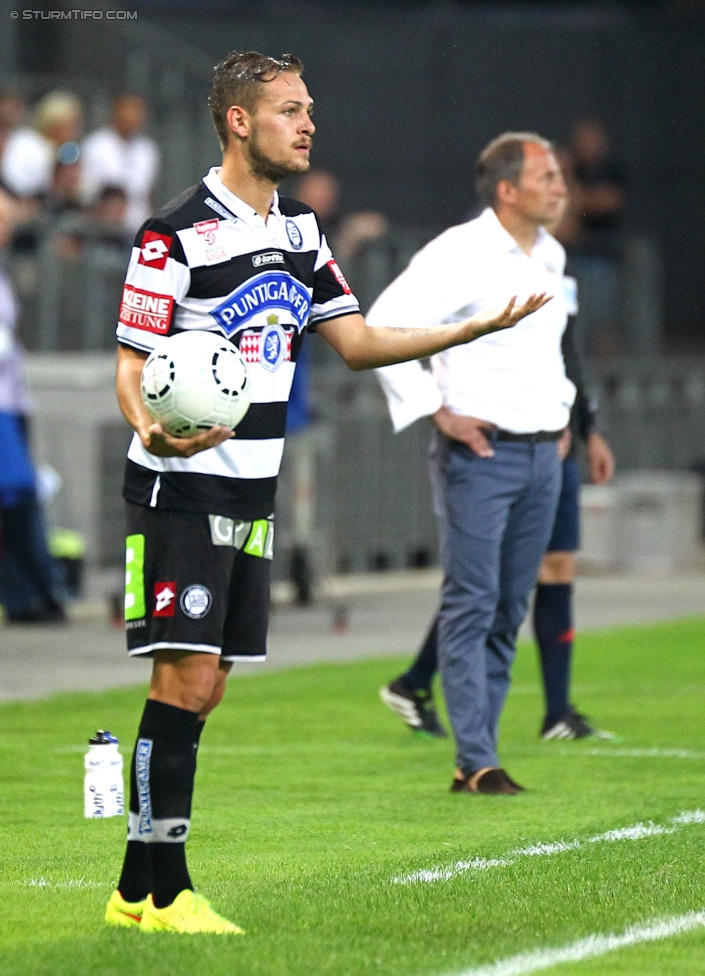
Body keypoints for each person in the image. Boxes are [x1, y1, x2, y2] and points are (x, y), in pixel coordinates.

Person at [106, 52, 549, 935]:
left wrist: (464, 331)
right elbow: (130, 363)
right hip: (179, 486)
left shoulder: (302, 232)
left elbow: (355, 341)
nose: (308, 124)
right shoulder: (175, 233)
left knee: (207, 689)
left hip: (252, 489)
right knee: (182, 679)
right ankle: (166, 891)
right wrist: (150, 425)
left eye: (309, 110)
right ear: (239, 121)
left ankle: (132, 892)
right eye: (290, 111)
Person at [370, 132, 574, 796]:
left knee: (509, 605)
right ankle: (477, 758)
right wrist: (437, 409)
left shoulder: (550, 252)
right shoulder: (459, 252)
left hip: (543, 451)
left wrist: (563, 414)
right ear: (507, 189)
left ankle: (475, 755)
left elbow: (546, 352)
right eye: (545, 175)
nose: (559, 186)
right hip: (479, 456)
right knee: (471, 602)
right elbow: (384, 324)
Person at [379, 316, 617, 742]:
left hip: (549, 441)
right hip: (501, 447)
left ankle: (550, 712)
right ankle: (470, 740)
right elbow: (383, 325)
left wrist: (585, 426)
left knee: (534, 578)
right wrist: (436, 409)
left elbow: (564, 359)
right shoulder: (476, 259)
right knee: (484, 587)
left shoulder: (549, 264)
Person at [0, 188, 66, 624]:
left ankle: (37, 591)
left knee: (18, 498)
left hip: (12, 398)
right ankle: (28, 593)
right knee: (15, 494)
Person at [80, 92, 160, 234]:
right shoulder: (96, 144)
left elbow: (147, 193)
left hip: (137, 225)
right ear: (116, 111)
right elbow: (87, 190)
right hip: (102, 227)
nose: (134, 117)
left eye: (139, 111)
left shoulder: (147, 149)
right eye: (129, 110)